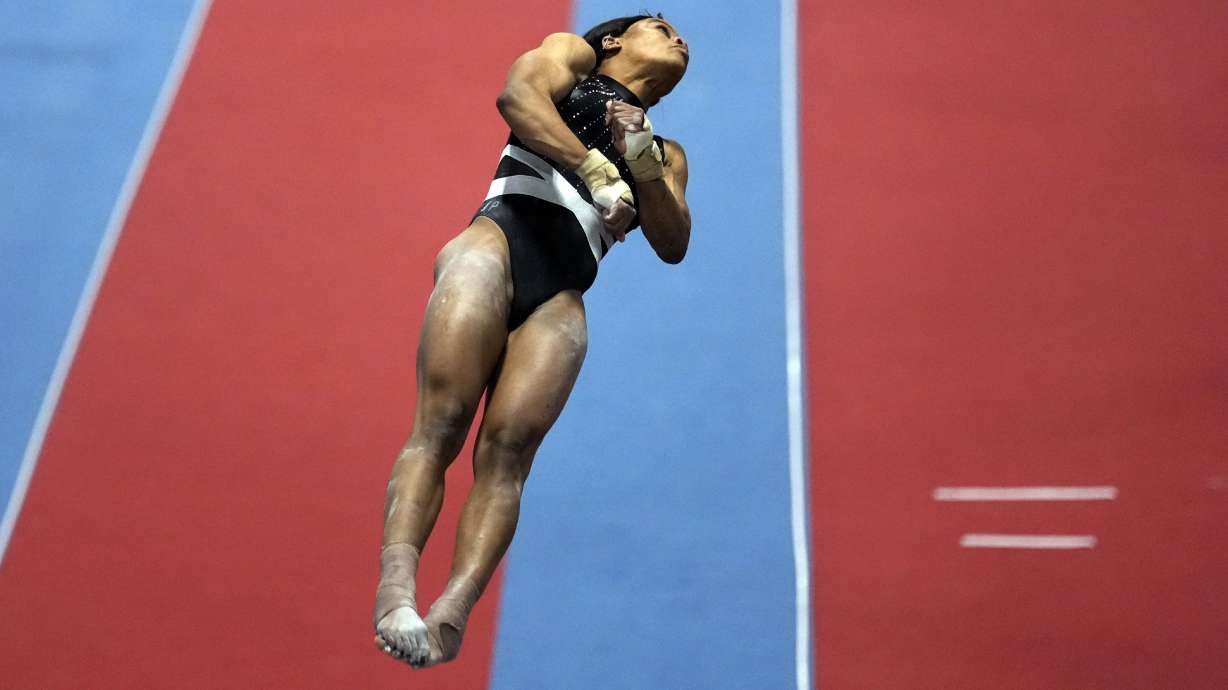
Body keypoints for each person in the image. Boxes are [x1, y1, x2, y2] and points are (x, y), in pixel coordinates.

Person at [372, 14, 691, 668]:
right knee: (443, 422)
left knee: (509, 452)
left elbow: (673, 240)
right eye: (661, 26)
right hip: (497, 245)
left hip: (562, 292)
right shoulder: (572, 63)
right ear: (614, 41)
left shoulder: (665, 150)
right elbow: (516, 100)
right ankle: (395, 590)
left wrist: (639, 161)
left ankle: (452, 611)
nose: (680, 39)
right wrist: (597, 170)